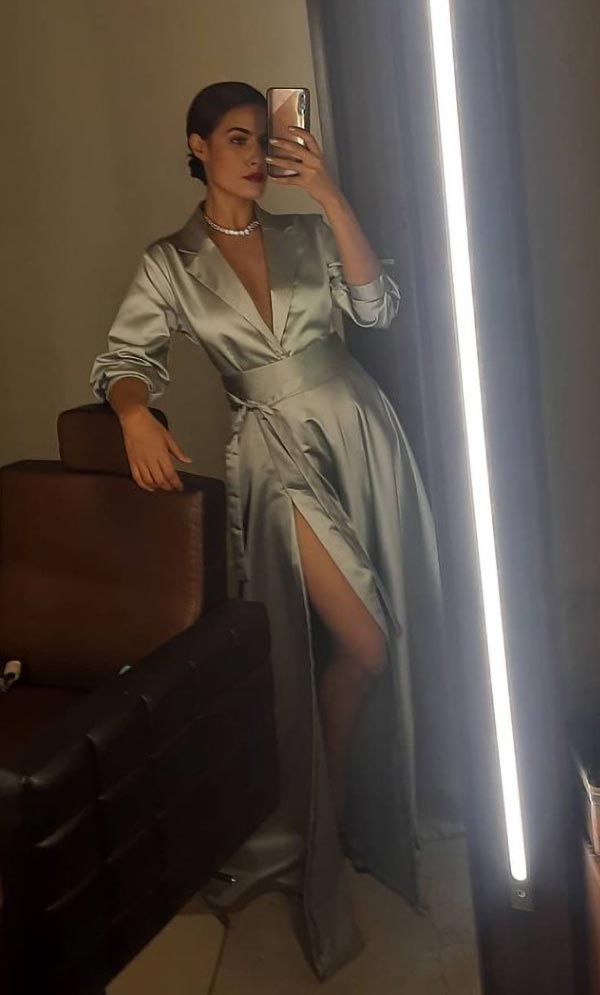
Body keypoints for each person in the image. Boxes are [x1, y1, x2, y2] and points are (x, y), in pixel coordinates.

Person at [90, 81, 445, 980]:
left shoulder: (305, 234)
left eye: (263, 138)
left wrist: (327, 193)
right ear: (198, 146)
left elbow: (377, 309)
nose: (254, 155)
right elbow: (125, 359)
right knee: (363, 642)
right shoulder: (170, 261)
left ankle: (341, 810)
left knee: (373, 642)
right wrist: (133, 413)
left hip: (361, 433)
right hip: (275, 455)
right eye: (236, 138)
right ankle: (316, 818)